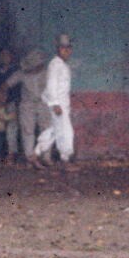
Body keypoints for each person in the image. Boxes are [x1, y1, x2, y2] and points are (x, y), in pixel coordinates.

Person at [33, 35, 76, 166]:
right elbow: (51, 86)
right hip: (58, 105)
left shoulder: (63, 65)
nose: (66, 51)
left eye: (68, 48)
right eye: (63, 48)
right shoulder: (55, 64)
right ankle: (65, 160)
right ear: (58, 49)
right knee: (66, 132)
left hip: (63, 105)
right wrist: (55, 104)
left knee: (54, 132)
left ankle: (35, 154)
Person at [5, 48, 51, 167]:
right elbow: (7, 84)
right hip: (27, 105)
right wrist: (0, 91)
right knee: (27, 131)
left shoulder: (48, 73)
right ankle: (29, 157)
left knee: (46, 130)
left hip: (44, 104)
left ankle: (46, 157)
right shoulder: (22, 73)